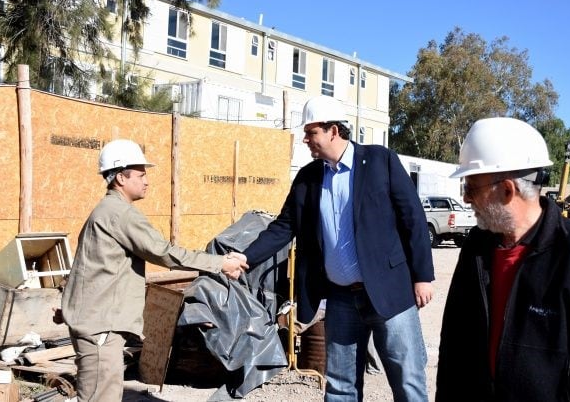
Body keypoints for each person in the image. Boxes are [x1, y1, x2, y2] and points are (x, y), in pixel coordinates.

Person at [243, 95, 435, 401]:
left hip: (390, 292)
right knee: (340, 384)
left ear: (334, 130)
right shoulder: (309, 177)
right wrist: (244, 257)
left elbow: (412, 217)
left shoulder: (380, 161)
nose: (305, 139)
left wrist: (422, 276)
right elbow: (285, 226)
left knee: (407, 379)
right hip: (341, 299)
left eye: (311, 132)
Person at [435, 117, 570, 401]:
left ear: (508, 190)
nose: (466, 199)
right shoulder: (475, 248)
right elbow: (453, 347)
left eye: (471, 188)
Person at [61, 139, 249, 402]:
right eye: (140, 174)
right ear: (120, 178)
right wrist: (220, 263)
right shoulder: (120, 214)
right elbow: (165, 253)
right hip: (100, 326)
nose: (147, 180)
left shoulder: (107, 211)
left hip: (96, 321)